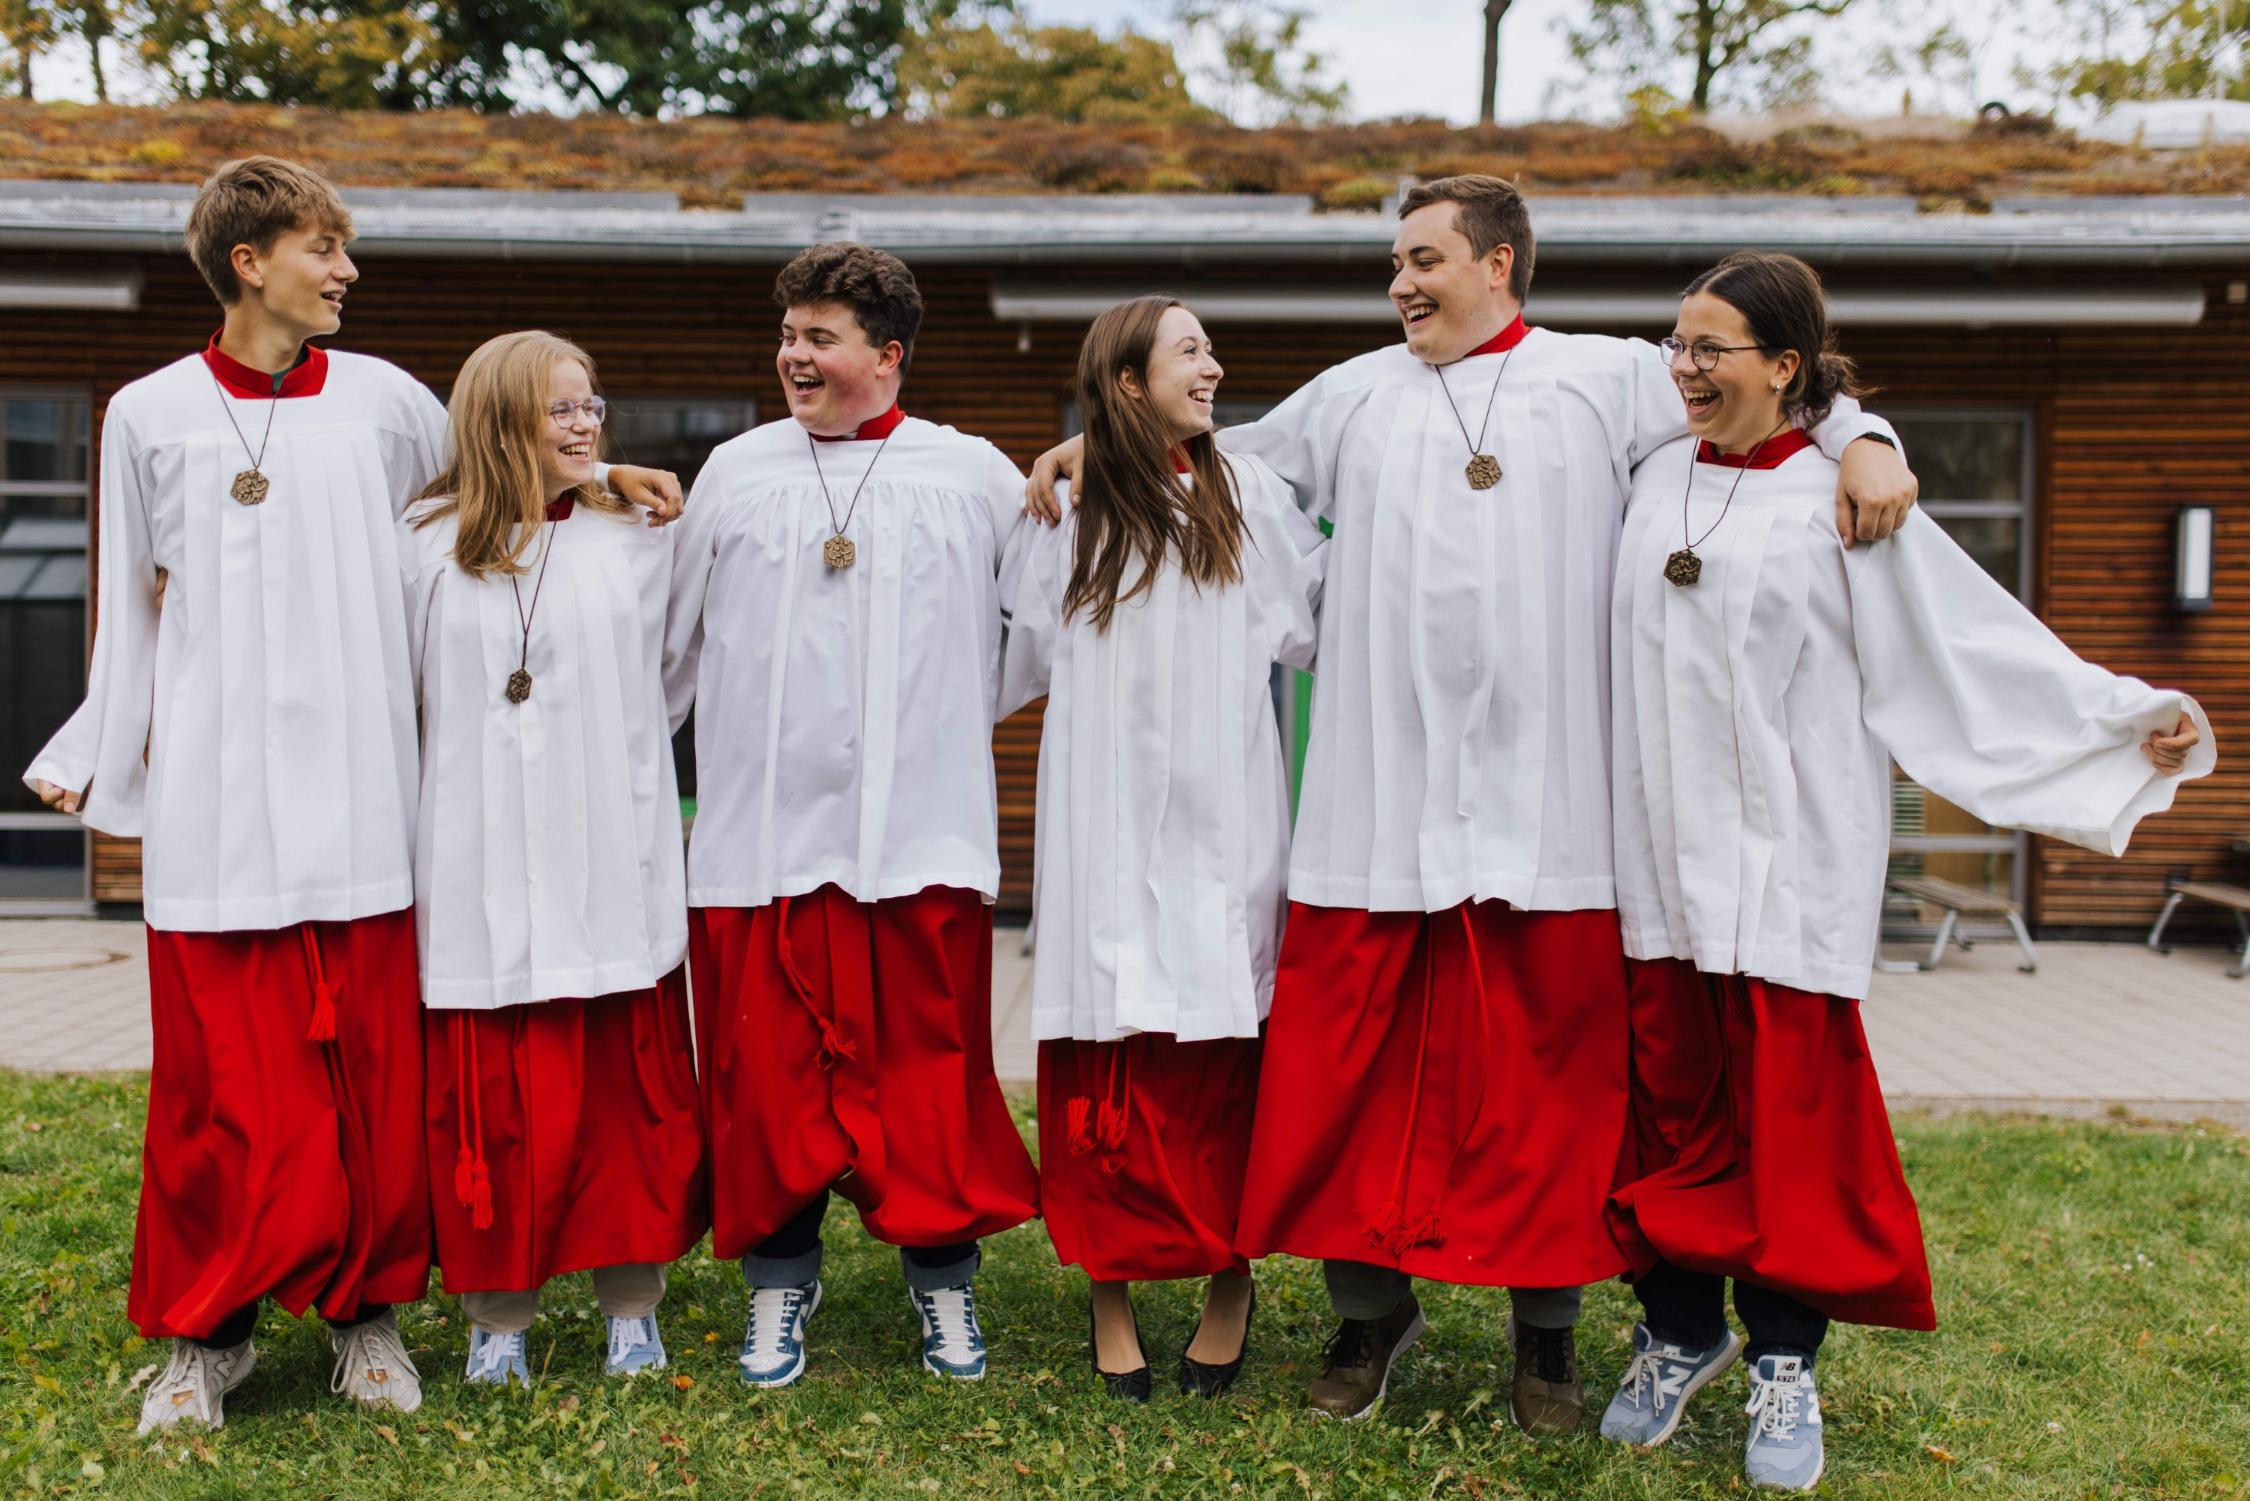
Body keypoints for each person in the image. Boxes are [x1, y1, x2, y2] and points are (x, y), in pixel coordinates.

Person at [1026, 173, 1921, 1431]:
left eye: (1424, 259)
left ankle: (1544, 1335)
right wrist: (1087, 440)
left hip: (1546, 819)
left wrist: (1868, 439)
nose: (1401, 283)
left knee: (1541, 1091)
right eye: (1395, 263)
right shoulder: (1353, 394)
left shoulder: (1608, 378)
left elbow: (1769, 393)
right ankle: (1367, 1308)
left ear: (1500, 265)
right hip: (1374, 818)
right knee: (1360, 1089)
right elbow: (1210, 457)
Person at [22, 156, 679, 1434]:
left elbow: (499, 481)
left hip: (374, 813)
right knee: (219, 1093)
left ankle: (364, 1322)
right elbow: (130, 609)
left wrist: (605, 480)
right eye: (324, 248)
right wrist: (105, 751)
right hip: (215, 821)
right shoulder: (146, 413)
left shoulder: (384, 403)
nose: (348, 271)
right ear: (248, 261)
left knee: (370, 1094)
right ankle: (205, 1337)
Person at [1595, 250, 2211, 1491]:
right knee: (1668, 1104)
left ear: (1785, 366)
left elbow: (1968, 641)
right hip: (1656, 860)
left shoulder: (1847, 498)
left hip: (1791, 861)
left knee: (1791, 1126)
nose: (1684, 368)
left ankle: (1782, 1358)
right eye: (1677, 345)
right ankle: (1677, 1332)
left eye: (1712, 349)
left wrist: (2119, 712)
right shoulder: (1649, 470)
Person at [665, 241, 1040, 1388]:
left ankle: (945, 1295)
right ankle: (779, 1291)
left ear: (886, 354)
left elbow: (1030, 639)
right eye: (788, 335)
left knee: (926, 1083)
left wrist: (929, 720)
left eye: (819, 337)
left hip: (914, 837)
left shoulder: (972, 473)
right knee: (768, 1084)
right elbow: (666, 643)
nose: (795, 356)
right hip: (761, 842)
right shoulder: (736, 471)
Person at [997, 297, 1325, 1401]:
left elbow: (1319, 628)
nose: (1216, 367)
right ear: (1128, 383)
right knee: (1110, 1072)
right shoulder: (1063, 514)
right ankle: (1114, 1298)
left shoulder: (1254, 499)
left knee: (1224, 1065)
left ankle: (1232, 1283)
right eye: (1192, 351)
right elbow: (1012, 657)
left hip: (1225, 825)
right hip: (1103, 824)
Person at [402, 331, 706, 1386]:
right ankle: (500, 1320)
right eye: (560, 409)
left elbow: (672, 677)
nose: (588, 425)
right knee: (496, 1108)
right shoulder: (423, 545)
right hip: (477, 861)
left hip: (605, 853)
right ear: (498, 422)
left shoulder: (640, 537)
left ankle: (631, 1308)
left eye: (594, 405)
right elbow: (399, 700)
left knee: (624, 1102)